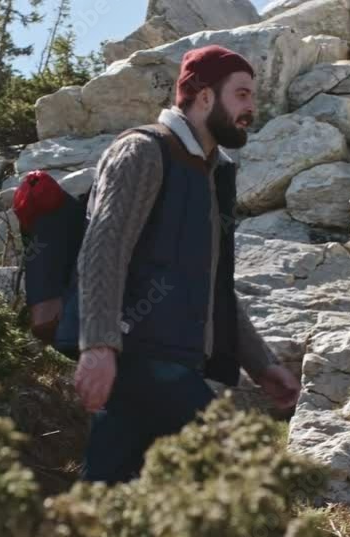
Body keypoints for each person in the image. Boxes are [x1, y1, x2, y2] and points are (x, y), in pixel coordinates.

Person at [73, 45, 301, 484]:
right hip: (140, 360)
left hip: (173, 365)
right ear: (204, 96)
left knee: (110, 488)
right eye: (241, 94)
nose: (251, 108)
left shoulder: (211, 173)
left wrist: (260, 364)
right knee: (230, 474)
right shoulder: (142, 151)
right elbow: (102, 249)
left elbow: (212, 286)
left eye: (252, 96)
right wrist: (98, 346)